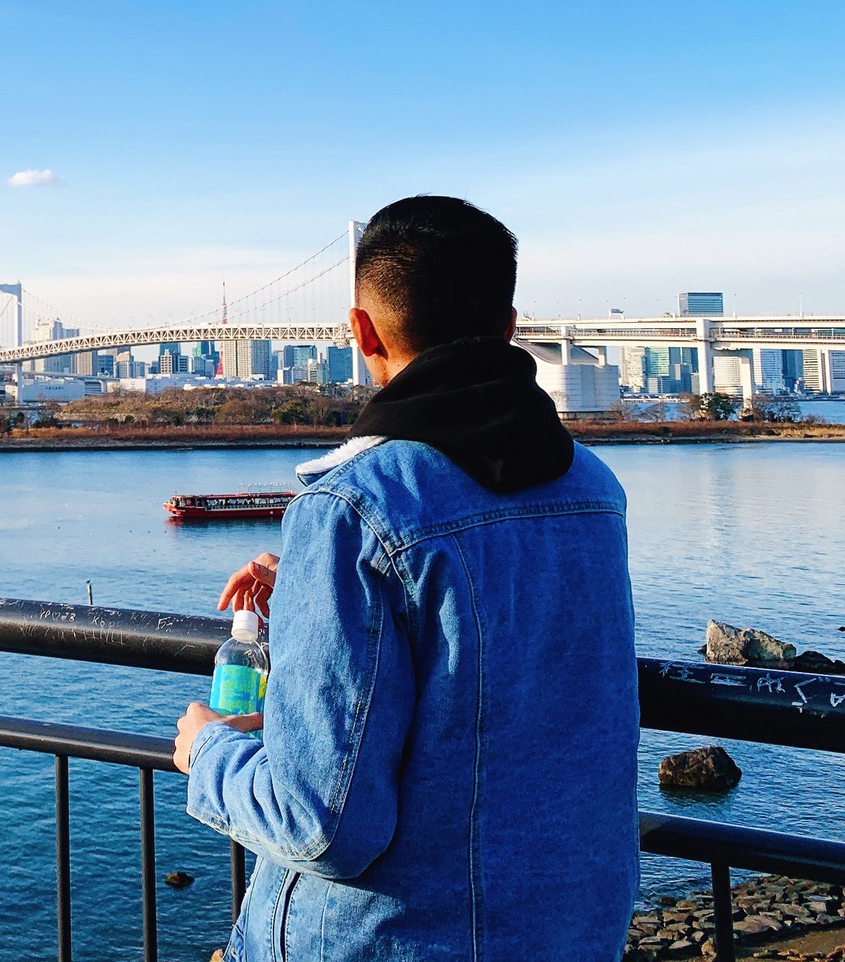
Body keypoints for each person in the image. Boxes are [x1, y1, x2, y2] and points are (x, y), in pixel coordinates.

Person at [173, 195, 639, 962]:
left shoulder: (354, 506)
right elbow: (493, 615)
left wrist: (209, 752)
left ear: (361, 331)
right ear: (510, 326)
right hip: (570, 934)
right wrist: (315, 590)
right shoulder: (593, 488)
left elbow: (318, 825)